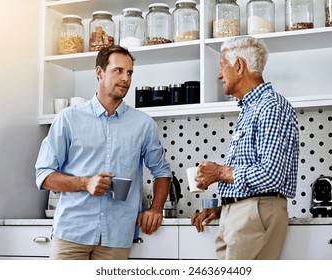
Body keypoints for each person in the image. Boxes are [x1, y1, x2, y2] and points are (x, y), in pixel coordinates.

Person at [35, 45, 172, 260]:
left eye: (129, 73)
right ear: (99, 72)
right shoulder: (68, 119)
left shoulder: (143, 125)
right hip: (71, 235)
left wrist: (156, 209)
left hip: (117, 238)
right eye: (118, 70)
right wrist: (85, 183)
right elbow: (43, 175)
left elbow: (162, 172)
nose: (125, 78)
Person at [191, 36, 299, 260]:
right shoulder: (251, 108)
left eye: (222, 66)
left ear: (239, 66)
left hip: (253, 215)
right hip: (241, 214)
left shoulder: (270, 106)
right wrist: (225, 207)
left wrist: (220, 172)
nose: (219, 74)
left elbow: (271, 175)